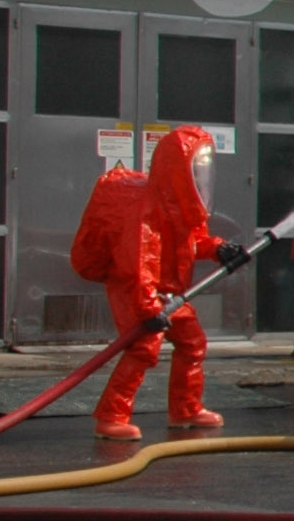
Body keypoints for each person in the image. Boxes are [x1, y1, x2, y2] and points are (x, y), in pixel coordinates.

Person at [72, 125, 238, 443]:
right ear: (178, 168)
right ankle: (111, 417)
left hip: (168, 293)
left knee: (192, 343)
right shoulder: (146, 210)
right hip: (135, 290)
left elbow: (193, 241)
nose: (201, 176)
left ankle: (186, 409)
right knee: (143, 349)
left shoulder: (182, 204)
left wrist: (220, 249)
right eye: (196, 167)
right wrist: (148, 308)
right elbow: (138, 265)